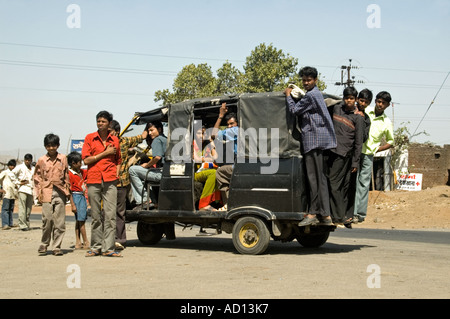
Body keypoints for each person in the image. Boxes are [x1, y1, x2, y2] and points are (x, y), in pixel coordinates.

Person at [285, 66, 337, 226]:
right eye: (304, 80)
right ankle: (326, 215)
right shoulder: (315, 94)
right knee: (320, 178)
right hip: (320, 140)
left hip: (313, 140)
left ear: (315, 80)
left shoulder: (311, 96)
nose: (306, 83)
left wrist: (288, 95)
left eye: (308, 80)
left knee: (313, 178)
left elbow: (294, 110)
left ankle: (313, 212)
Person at [82, 110, 122, 257]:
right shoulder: (89, 138)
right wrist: (105, 153)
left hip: (110, 179)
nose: (100, 123)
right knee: (96, 215)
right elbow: (86, 160)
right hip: (93, 179)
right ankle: (95, 247)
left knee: (110, 215)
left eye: (103, 121)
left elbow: (118, 160)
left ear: (109, 123)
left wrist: (116, 173)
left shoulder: (115, 140)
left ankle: (109, 248)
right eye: (98, 121)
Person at [353, 91, 394, 223]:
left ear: (387, 105)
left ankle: (359, 213)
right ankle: (349, 211)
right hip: (355, 151)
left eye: (383, 103)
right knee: (352, 181)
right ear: (375, 101)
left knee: (364, 184)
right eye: (378, 101)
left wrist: (378, 149)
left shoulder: (386, 122)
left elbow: (390, 141)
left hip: (368, 154)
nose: (380, 104)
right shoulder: (366, 110)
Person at [326, 87, 364, 226]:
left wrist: (355, 162)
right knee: (334, 184)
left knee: (334, 184)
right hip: (331, 151)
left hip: (344, 155)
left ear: (355, 100)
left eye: (351, 99)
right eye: (347, 98)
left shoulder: (358, 117)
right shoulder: (337, 109)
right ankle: (337, 214)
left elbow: (358, 142)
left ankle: (338, 216)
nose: (349, 101)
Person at [109, 119, 148, 250]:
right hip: (109, 183)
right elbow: (142, 136)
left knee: (118, 212)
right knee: (110, 213)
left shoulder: (123, 142)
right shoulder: (112, 143)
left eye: (110, 132)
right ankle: (111, 239)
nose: (108, 134)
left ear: (117, 132)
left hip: (120, 183)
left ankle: (119, 240)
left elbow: (142, 136)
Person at [34, 134, 73, 256]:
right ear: (45, 146)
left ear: (58, 146)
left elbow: (66, 174)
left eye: (54, 145)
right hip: (46, 192)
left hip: (60, 192)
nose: (51, 148)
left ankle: (57, 246)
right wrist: (38, 193)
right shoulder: (41, 160)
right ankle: (44, 243)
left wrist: (67, 190)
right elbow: (37, 178)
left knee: (60, 222)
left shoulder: (63, 158)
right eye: (49, 146)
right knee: (48, 220)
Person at [345, 88, 373, 227]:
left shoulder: (366, 119)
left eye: (366, 102)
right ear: (357, 99)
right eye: (361, 100)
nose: (363, 103)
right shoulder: (347, 111)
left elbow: (363, 138)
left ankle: (354, 214)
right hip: (345, 152)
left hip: (355, 153)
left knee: (356, 183)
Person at [129, 121, 166, 210]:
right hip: (166, 172)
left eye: (152, 130)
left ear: (159, 129)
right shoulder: (165, 139)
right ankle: (153, 201)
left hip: (160, 174)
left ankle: (145, 200)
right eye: (148, 131)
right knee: (142, 177)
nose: (150, 133)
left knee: (132, 170)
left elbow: (157, 157)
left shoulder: (157, 140)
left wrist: (147, 165)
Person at [212, 103, 239, 211]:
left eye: (232, 123)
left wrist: (221, 115)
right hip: (241, 164)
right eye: (228, 124)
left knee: (220, 172)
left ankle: (228, 203)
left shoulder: (236, 130)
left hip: (240, 166)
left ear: (237, 123)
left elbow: (213, 134)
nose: (229, 127)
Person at [193, 124, 221, 211]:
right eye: (199, 133)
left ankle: (217, 202)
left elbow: (216, 157)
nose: (201, 136)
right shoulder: (192, 144)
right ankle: (203, 204)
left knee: (219, 173)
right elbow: (197, 159)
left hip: (205, 171)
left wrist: (210, 140)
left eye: (204, 134)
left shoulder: (207, 144)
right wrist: (209, 159)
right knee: (213, 173)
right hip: (195, 173)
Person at [67, 151, 89, 250]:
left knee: (79, 220)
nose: (81, 164)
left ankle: (78, 242)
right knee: (82, 221)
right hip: (76, 197)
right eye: (80, 162)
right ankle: (86, 241)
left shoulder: (82, 172)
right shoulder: (69, 175)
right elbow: (69, 190)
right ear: (73, 163)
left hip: (82, 196)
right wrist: (72, 204)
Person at [12, 154, 35, 231]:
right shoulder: (20, 167)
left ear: (31, 160)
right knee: (22, 207)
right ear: (24, 160)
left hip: (30, 189)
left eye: (29, 160)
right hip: (23, 189)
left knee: (28, 209)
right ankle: (22, 225)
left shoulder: (33, 168)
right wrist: (18, 182)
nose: (27, 161)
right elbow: (11, 174)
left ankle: (27, 223)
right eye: (26, 160)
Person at [0, 159, 18, 230]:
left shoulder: (15, 173)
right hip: (6, 193)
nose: (12, 167)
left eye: (13, 166)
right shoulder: (5, 172)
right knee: (5, 209)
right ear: (8, 166)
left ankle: (10, 223)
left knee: (11, 209)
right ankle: (5, 224)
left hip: (13, 193)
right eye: (11, 165)